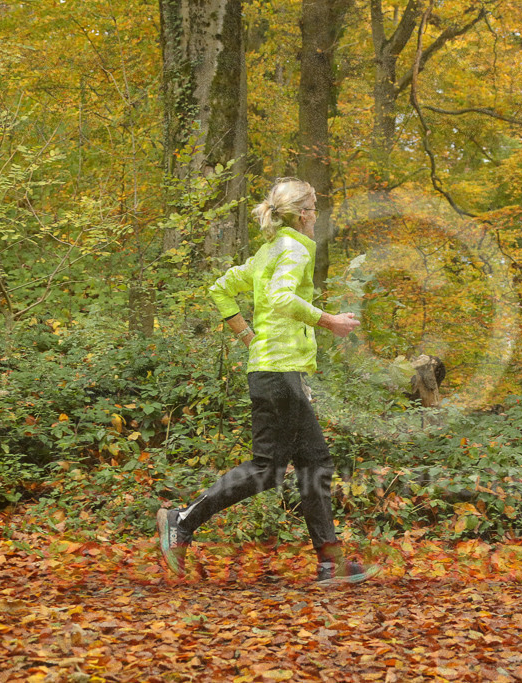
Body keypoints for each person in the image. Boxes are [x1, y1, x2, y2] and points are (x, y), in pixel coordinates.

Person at [156, 177, 379, 586]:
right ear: (303, 213)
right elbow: (280, 298)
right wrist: (329, 321)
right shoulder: (294, 247)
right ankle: (181, 521)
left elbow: (220, 289)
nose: (317, 213)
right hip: (278, 372)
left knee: (308, 464)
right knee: (273, 467)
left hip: (275, 370)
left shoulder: (269, 250)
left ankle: (330, 564)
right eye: (315, 205)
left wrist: (248, 338)